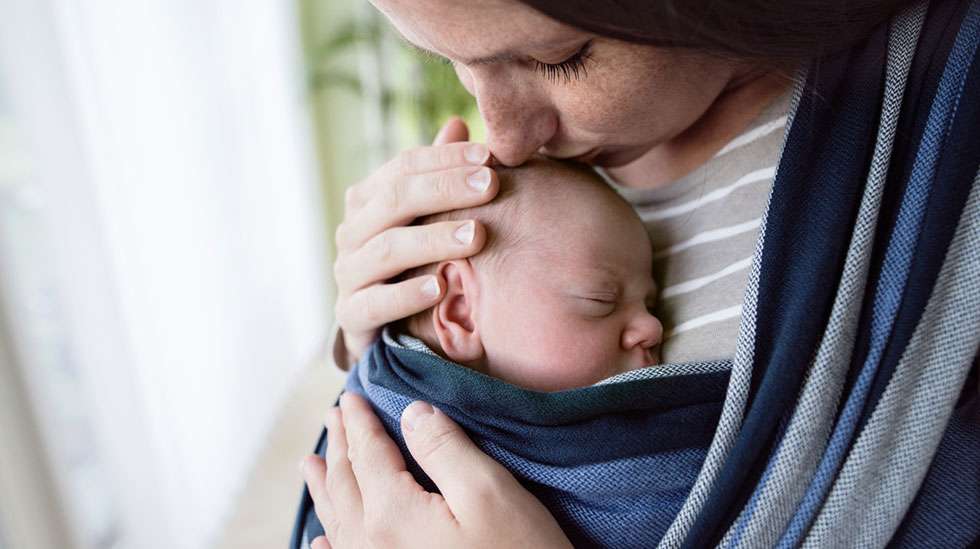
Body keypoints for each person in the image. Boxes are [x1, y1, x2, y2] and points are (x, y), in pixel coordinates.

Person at [294, 0, 980, 547]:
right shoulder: (520, 203)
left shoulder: (943, 138)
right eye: (448, 59)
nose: (500, 133)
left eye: (554, 58)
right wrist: (387, 344)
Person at [395, 157, 662, 392]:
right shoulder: (379, 420)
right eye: (600, 300)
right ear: (461, 312)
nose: (654, 328)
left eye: (652, 307)